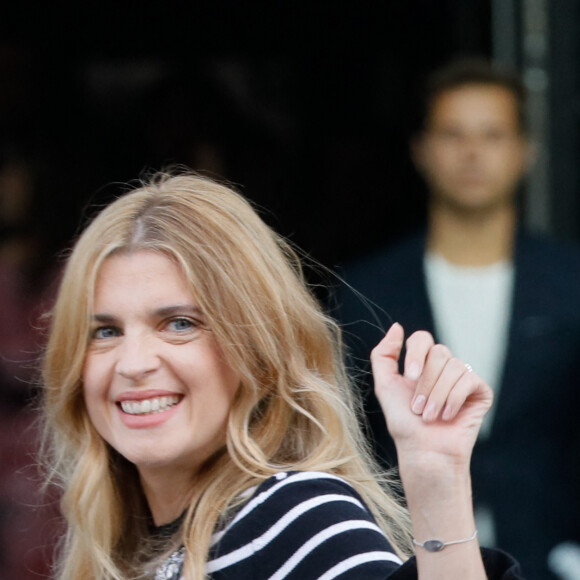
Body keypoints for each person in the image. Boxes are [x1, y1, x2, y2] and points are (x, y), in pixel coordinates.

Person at [40, 170, 521, 579]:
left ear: (255, 350)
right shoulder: (123, 547)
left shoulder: (293, 517)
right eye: (104, 332)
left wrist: (436, 482)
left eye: (180, 324)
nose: (133, 362)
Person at [335, 56, 580, 580]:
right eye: (453, 133)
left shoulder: (571, 280)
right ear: (420, 149)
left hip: (552, 555)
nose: (472, 152)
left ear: (526, 150)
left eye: (493, 135)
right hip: (404, 554)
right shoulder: (364, 290)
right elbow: (345, 440)